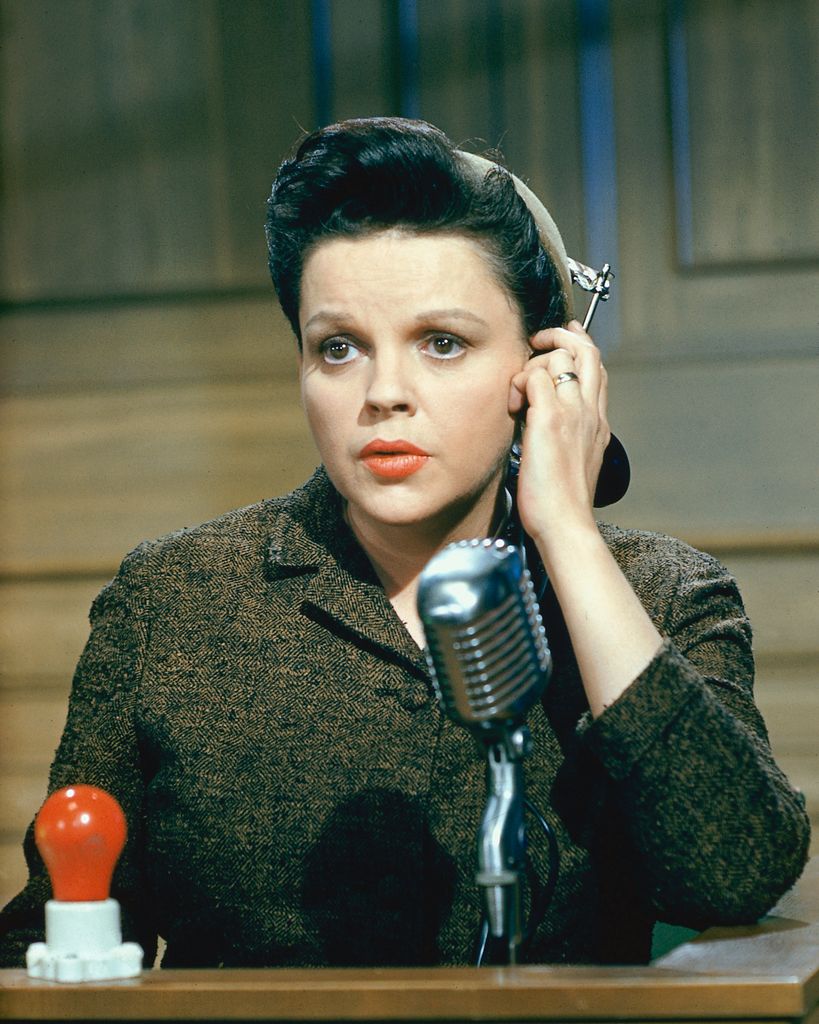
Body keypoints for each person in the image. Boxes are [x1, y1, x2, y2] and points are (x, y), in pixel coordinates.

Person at [0, 117, 809, 970]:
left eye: (441, 343)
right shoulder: (174, 599)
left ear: (548, 370)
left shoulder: (663, 594)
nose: (384, 393)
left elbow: (733, 875)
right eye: (338, 348)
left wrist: (566, 530)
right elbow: (63, 930)